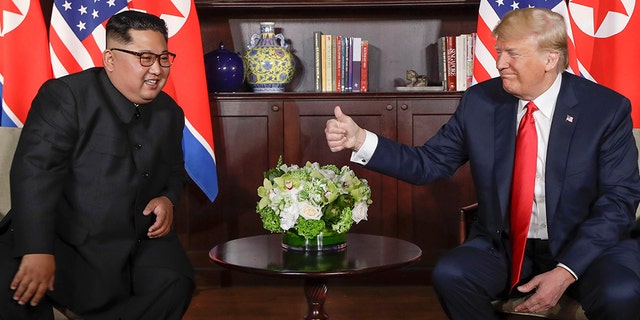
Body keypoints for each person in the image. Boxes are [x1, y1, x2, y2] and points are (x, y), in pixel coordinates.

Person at [325, 8, 640, 320]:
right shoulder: (480, 101)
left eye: (512, 54)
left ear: (549, 59)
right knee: (452, 274)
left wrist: (566, 271)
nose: (500, 63)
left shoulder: (605, 110)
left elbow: (618, 202)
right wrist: (360, 139)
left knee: (619, 293)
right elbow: (428, 163)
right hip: (504, 246)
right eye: (499, 51)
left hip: (587, 246)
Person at [0, 11, 193, 320]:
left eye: (163, 57)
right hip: (62, 237)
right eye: (145, 57)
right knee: (14, 288)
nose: (157, 69)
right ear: (110, 59)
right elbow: (35, 172)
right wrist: (37, 249)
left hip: (134, 240)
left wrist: (168, 197)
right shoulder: (65, 97)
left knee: (176, 281)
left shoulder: (170, 112)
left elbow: (174, 170)